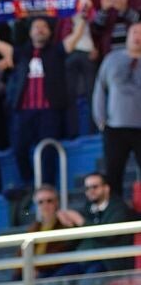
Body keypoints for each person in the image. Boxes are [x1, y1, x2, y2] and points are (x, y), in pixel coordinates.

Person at [10, 16, 87, 186]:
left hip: (49, 110)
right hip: (25, 110)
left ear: (50, 32)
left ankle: (47, 187)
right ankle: (29, 184)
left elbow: (76, 35)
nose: (40, 29)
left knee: (48, 151)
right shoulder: (21, 52)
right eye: (36, 26)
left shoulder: (56, 51)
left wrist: (80, 17)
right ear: (29, 32)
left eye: (44, 26)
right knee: (19, 149)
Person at [93, 21, 141, 195]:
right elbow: (99, 89)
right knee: (113, 175)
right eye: (135, 32)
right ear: (128, 35)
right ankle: (116, 213)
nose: (138, 37)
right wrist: (100, 121)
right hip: (115, 128)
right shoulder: (112, 59)